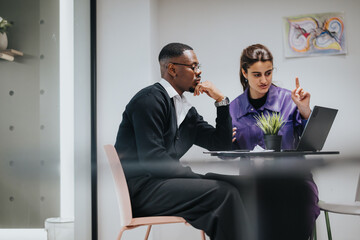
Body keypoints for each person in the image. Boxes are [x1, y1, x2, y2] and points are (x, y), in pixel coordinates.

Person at [115, 42, 251, 240]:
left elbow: (221, 145)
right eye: (193, 67)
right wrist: (198, 178)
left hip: (164, 185)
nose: (199, 72)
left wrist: (221, 101)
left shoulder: (185, 110)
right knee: (222, 192)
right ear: (172, 69)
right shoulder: (149, 100)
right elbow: (154, 161)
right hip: (143, 192)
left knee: (243, 188)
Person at [230, 43, 320, 240]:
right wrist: (226, 140)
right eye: (257, 74)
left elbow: (312, 143)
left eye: (268, 73)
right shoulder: (233, 108)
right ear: (244, 73)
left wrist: (305, 110)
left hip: (295, 180)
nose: (264, 80)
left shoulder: (290, 99)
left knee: (297, 215)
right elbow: (226, 153)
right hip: (253, 184)